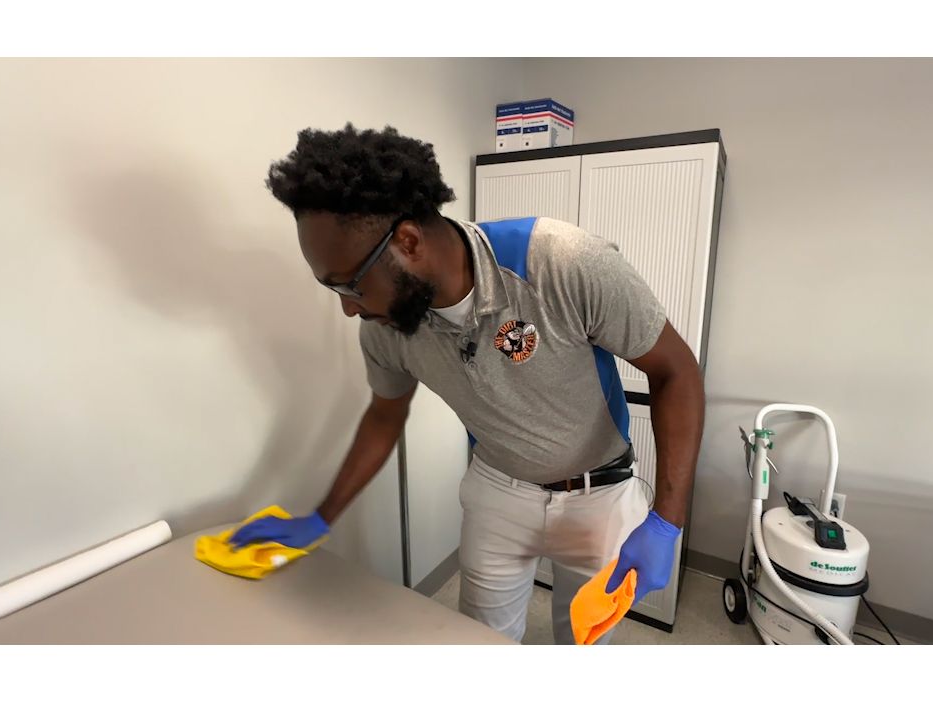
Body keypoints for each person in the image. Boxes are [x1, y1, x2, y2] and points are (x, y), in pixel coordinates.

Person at [231, 124, 705, 644]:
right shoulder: (385, 329)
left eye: (350, 285)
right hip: (498, 491)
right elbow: (385, 414)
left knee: (583, 643)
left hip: (599, 495)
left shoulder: (559, 263)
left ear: (408, 242)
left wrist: (666, 521)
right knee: (480, 645)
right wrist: (321, 518)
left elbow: (676, 371)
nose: (347, 308)